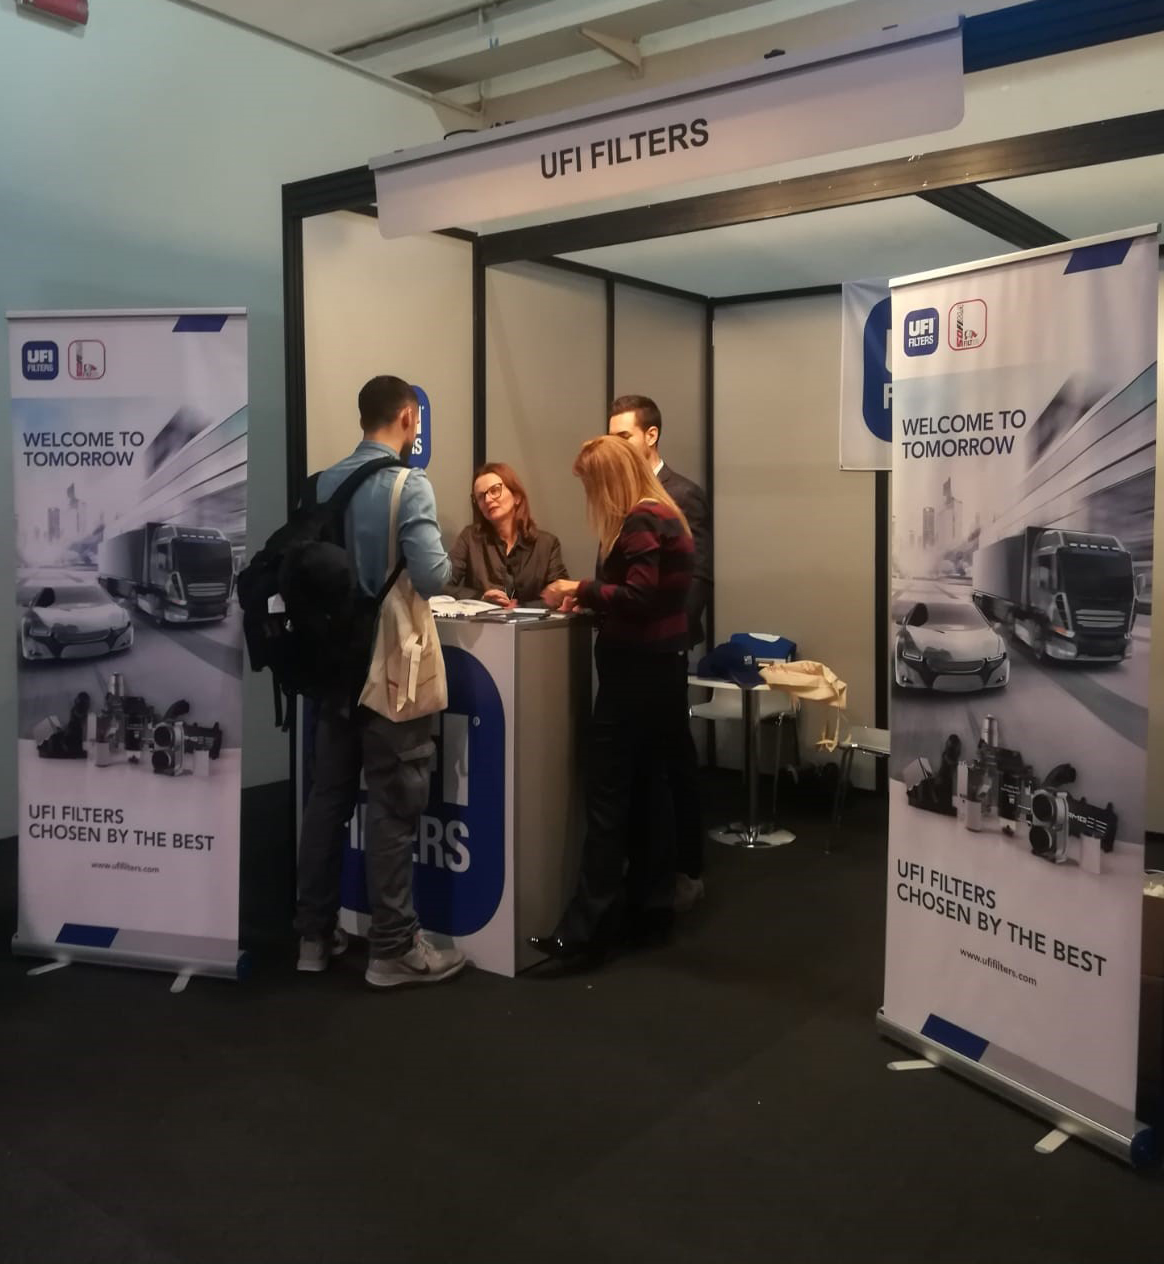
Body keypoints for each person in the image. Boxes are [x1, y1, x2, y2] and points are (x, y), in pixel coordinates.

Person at [295, 375, 465, 990]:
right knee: (395, 803)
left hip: (331, 669)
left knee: (327, 800)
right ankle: (393, 948)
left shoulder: (322, 484)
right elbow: (433, 575)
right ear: (407, 419)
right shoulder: (407, 484)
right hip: (391, 667)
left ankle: (313, 938)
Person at [532, 435, 697, 963]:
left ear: (608, 480)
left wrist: (579, 589)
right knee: (650, 793)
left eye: (590, 484)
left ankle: (586, 927)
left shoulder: (641, 519)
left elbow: (640, 595)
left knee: (607, 798)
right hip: (663, 670)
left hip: (632, 676)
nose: (589, 497)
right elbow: (654, 599)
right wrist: (598, 603)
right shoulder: (668, 515)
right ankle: (650, 910)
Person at [608, 395, 711, 911]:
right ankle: (642, 864)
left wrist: (669, 635)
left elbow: (698, 577)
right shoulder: (619, 496)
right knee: (638, 762)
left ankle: (688, 868)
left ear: (651, 435)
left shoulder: (682, 494)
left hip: (663, 649)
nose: (616, 446)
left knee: (674, 758)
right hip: (626, 649)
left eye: (624, 436)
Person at [447, 462, 567, 606]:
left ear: (516, 496)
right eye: (480, 497)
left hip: (531, 620)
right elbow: (442, 585)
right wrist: (480, 597)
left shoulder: (547, 544)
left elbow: (561, 595)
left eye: (495, 490)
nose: (487, 500)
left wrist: (521, 608)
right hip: (484, 619)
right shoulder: (470, 538)